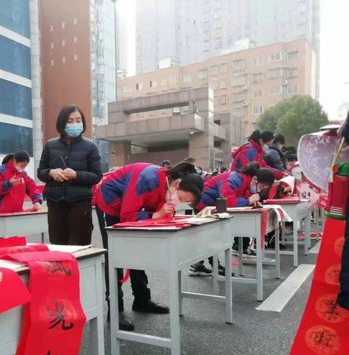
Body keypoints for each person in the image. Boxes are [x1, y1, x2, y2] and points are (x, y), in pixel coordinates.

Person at [94, 162, 203, 331]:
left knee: (139, 248)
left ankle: (142, 299)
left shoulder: (167, 186)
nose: (179, 202)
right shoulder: (147, 178)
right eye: (181, 199)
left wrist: (161, 215)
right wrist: (155, 215)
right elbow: (128, 215)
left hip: (128, 205)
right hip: (110, 203)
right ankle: (115, 310)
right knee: (115, 255)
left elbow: (156, 214)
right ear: (176, 184)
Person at [38, 105, 102, 246]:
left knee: (80, 245)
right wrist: (51, 173)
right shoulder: (50, 145)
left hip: (80, 204)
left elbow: (97, 176)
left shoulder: (90, 147)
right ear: (62, 123)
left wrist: (76, 175)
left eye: (78, 121)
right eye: (70, 121)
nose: (75, 124)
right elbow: (40, 172)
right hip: (55, 203)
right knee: (57, 245)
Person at [192, 162, 275, 268]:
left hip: (213, 207)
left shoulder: (244, 181)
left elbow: (240, 197)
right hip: (204, 206)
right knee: (209, 237)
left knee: (210, 237)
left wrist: (251, 201)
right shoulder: (234, 179)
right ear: (254, 179)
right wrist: (248, 200)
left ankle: (203, 265)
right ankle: (209, 265)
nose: (261, 189)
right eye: (261, 186)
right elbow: (228, 202)